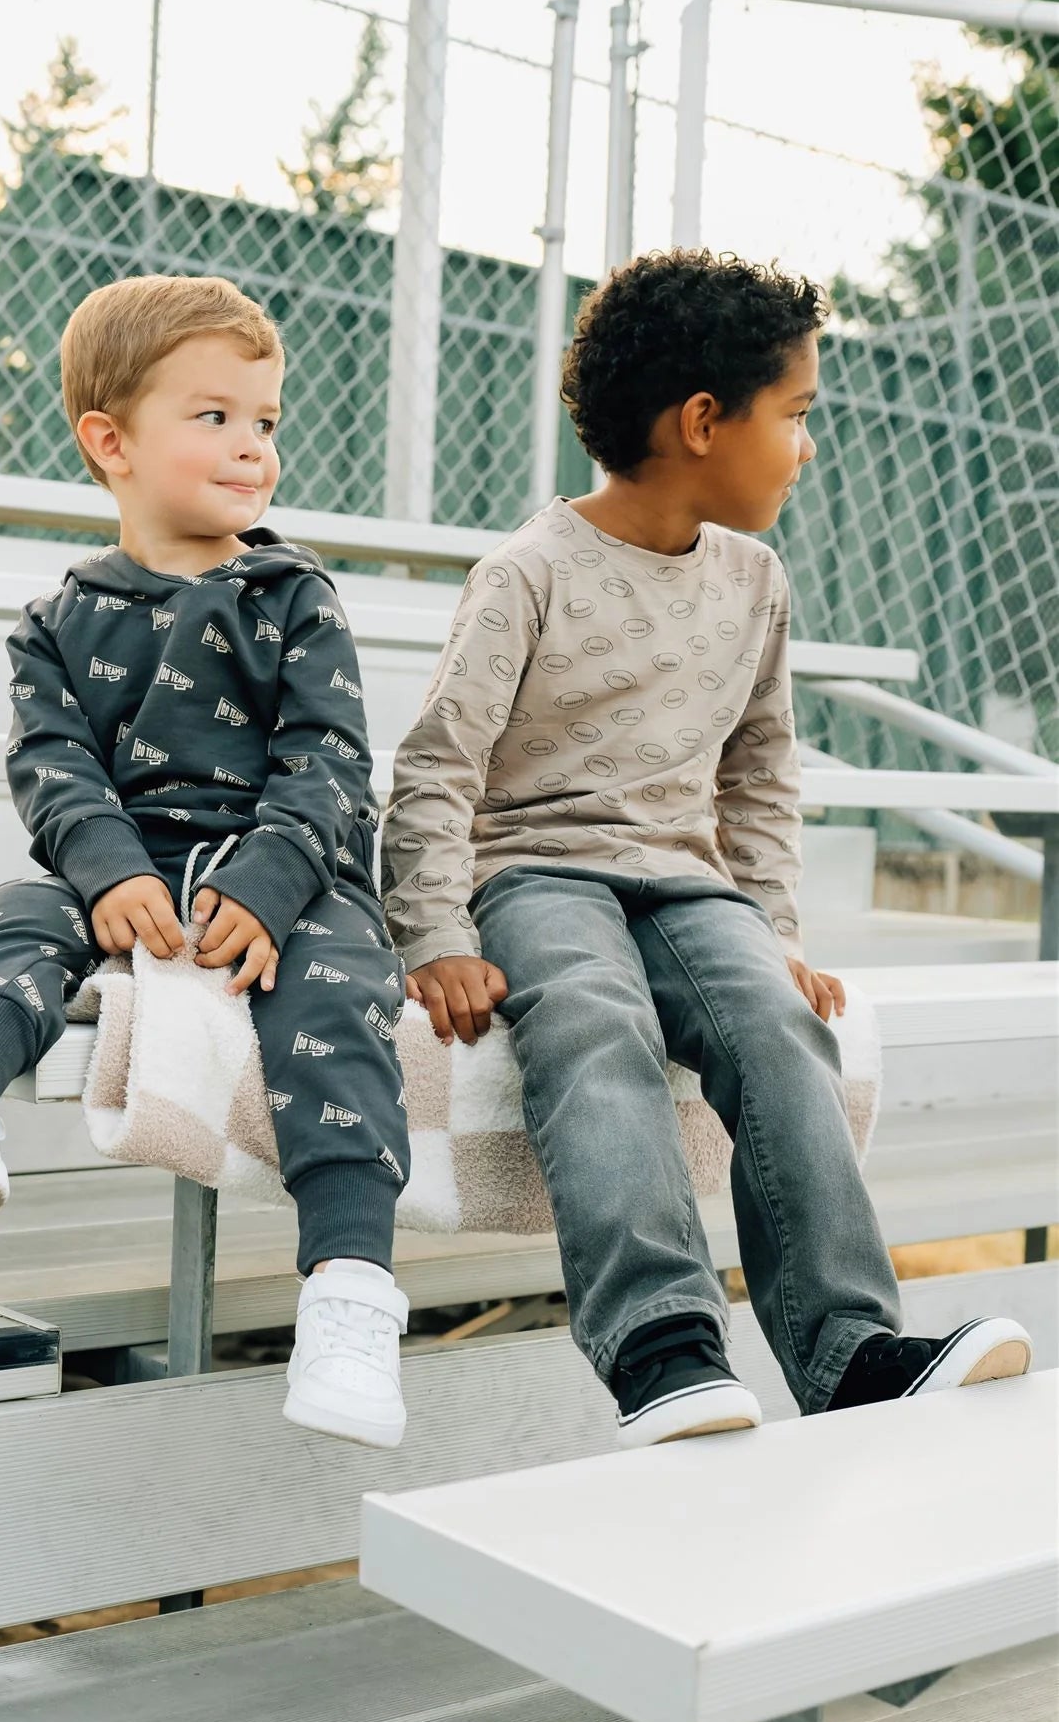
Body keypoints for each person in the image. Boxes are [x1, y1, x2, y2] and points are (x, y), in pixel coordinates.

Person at [382, 248, 1031, 1449]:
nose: (807, 445)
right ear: (700, 422)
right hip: (536, 868)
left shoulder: (756, 580)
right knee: (594, 1021)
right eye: (796, 414)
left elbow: (760, 771)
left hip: (689, 884)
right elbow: (437, 764)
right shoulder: (528, 572)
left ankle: (850, 1353)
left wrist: (774, 929)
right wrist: (434, 930)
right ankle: (664, 1348)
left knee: (781, 1026)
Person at [0, 274, 410, 1450]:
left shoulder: (292, 594)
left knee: (337, 993)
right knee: (17, 906)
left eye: (266, 420)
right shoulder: (55, 622)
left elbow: (330, 760)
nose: (253, 447)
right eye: (215, 416)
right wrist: (108, 870)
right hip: (129, 867)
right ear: (112, 441)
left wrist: (269, 880)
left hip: (285, 871)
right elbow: (53, 768)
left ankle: (351, 1290)